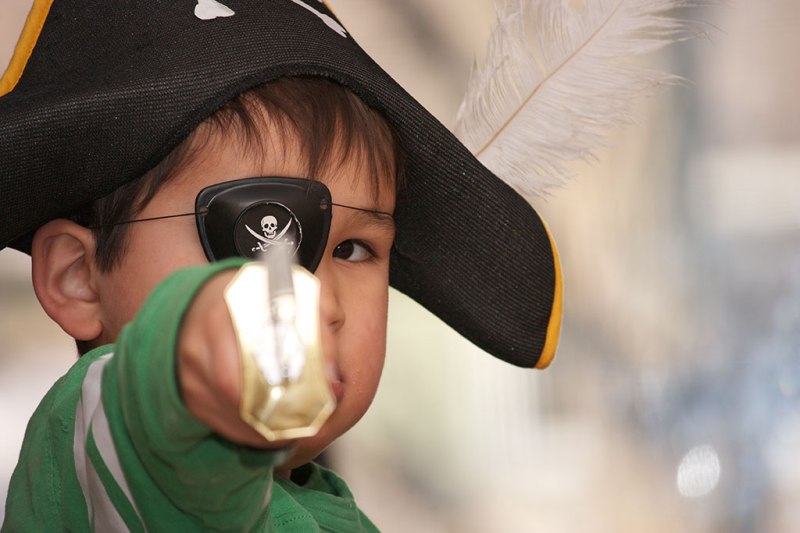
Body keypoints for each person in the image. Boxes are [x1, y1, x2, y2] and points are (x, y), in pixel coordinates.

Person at [0, 1, 561, 530]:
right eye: (255, 233)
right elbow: (156, 413)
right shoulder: (105, 455)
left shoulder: (330, 511)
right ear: (77, 278)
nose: (318, 298)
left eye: (352, 250)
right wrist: (200, 349)